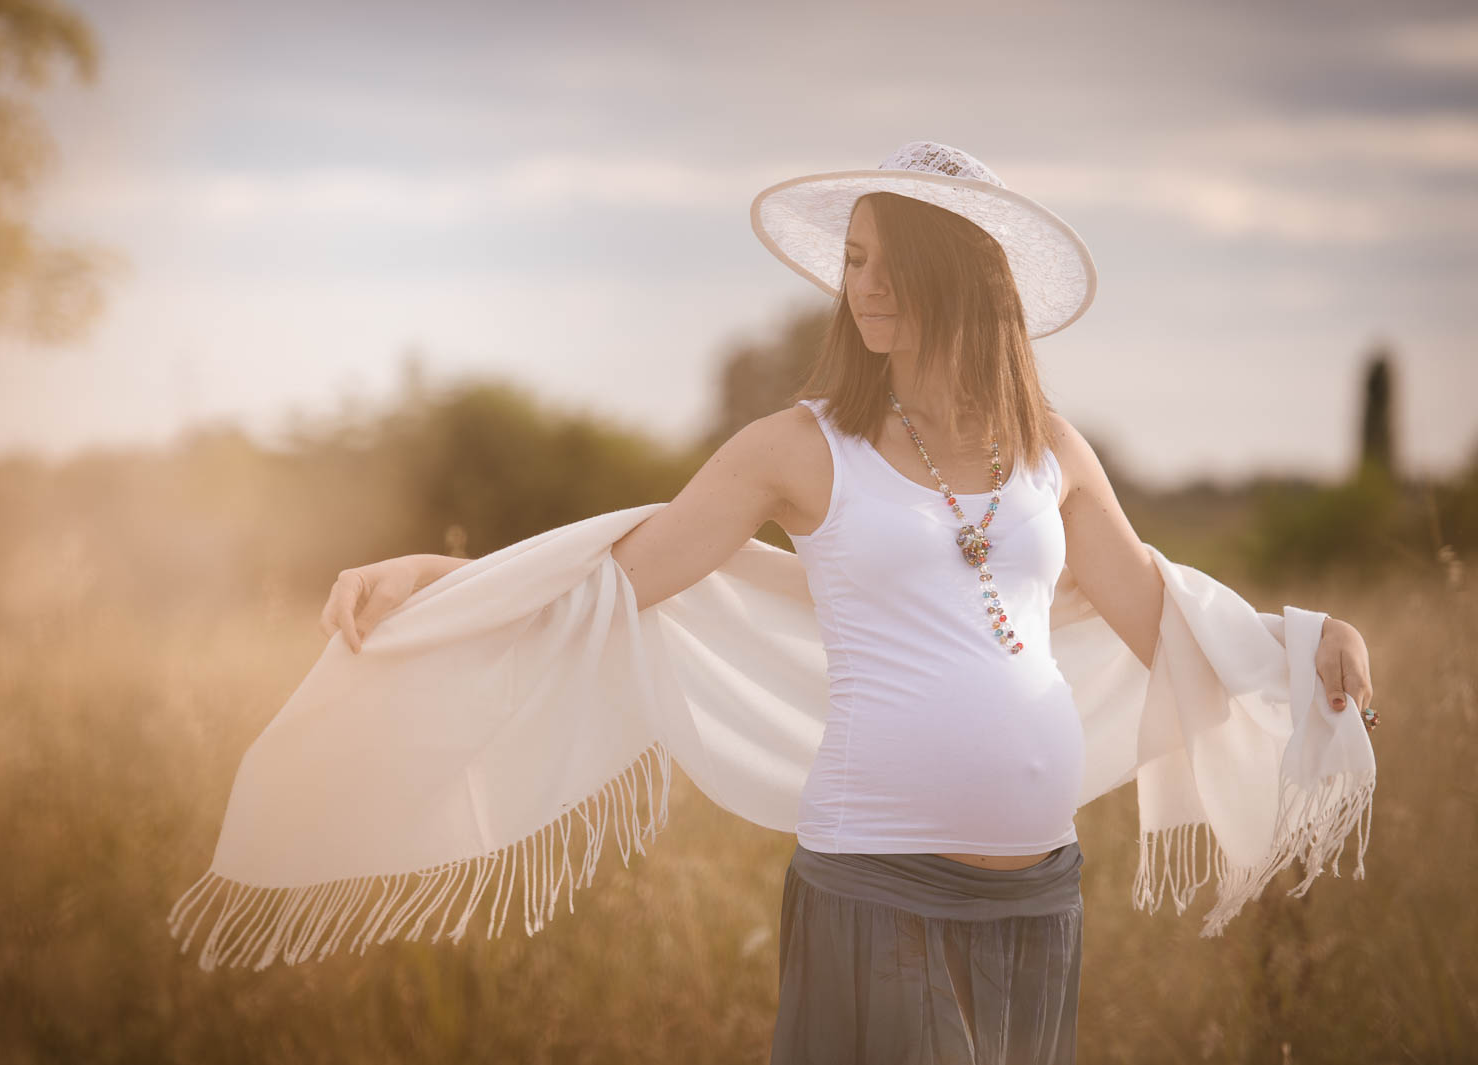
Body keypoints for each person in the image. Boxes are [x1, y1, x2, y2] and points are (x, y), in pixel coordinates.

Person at [316, 142, 1376, 1065]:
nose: (860, 287)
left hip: (1038, 899)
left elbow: (1157, 613)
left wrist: (1303, 644)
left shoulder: (1053, 449)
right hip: (876, 886)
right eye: (853, 261)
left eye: (885, 263)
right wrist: (437, 580)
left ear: (960, 278)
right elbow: (619, 578)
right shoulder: (798, 449)